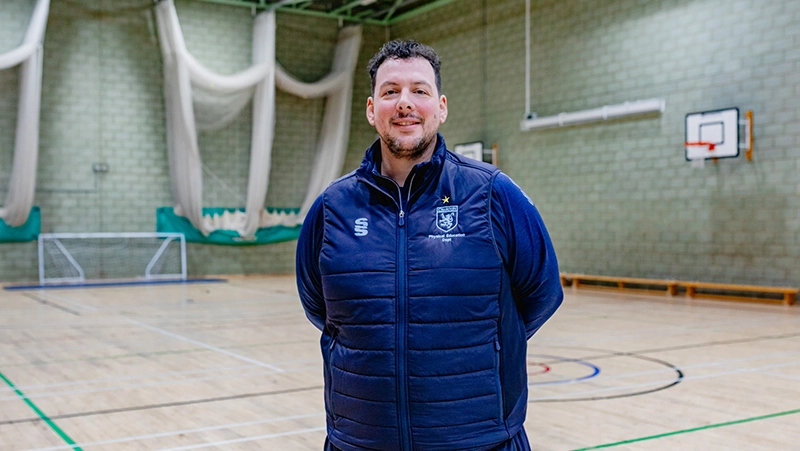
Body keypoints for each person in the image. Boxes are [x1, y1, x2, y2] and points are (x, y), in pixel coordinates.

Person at [296, 39, 563, 451]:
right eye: (390, 92)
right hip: (361, 441)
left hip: (481, 440)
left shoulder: (493, 193)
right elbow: (319, 305)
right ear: (372, 109)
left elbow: (541, 292)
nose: (405, 103)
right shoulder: (332, 207)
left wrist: (481, 348)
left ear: (440, 107)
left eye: (418, 90)